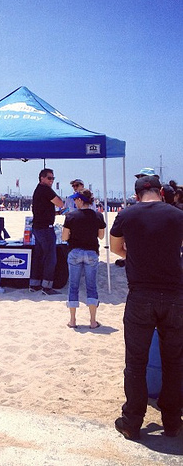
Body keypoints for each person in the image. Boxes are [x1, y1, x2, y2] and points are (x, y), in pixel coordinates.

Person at [110, 175, 183, 440]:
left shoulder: (126, 215)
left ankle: (132, 421)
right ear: (161, 192)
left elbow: (116, 248)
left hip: (141, 295)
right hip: (174, 295)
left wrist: (137, 256)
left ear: (136, 194)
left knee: (135, 362)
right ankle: (172, 421)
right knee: (174, 361)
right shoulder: (177, 215)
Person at [62, 189, 106, 329]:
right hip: (91, 252)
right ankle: (92, 321)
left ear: (80, 200)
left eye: (76, 199)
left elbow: (64, 237)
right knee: (91, 286)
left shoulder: (71, 216)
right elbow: (101, 236)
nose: (75, 202)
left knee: (73, 286)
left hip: (75, 251)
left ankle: (73, 320)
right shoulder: (98, 216)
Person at [29, 168, 64, 295]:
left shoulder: (39, 189)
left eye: (53, 178)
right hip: (45, 228)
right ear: (42, 178)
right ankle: (47, 286)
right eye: (49, 178)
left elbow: (42, 209)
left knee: (38, 256)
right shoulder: (45, 189)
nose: (51, 181)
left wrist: (55, 213)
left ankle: (34, 284)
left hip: (38, 227)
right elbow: (60, 203)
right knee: (50, 258)